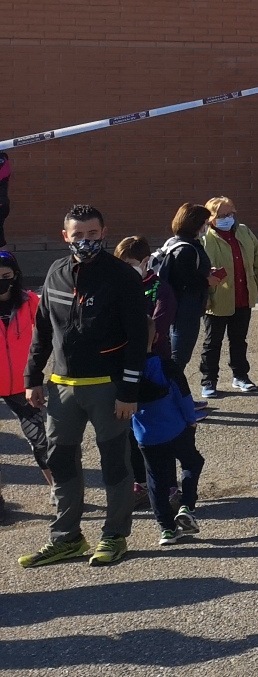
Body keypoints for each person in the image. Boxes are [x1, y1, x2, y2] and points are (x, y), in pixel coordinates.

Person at [18, 205, 147, 568]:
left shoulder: (122, 276)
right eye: (78, 235)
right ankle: (67, 538)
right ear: (66, 236)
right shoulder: (56, 272)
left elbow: (138, 339)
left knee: (115, 465)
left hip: (108, 388)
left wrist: (129, 392)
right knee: (61, 464)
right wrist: (32, 378)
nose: (85, 241)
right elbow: (43, 330)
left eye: (92, 234)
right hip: (61, 388)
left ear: (103, 232)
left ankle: (115, 536)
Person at [0, 250, 54, 524]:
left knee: (40, 439)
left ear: (15, 276)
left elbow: (49, 333)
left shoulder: (30, 301)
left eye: (5, 276)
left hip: (22, 385)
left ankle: (57, 488)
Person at [132, 347, 205, 546]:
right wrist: (191, 420)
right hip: (175, 428)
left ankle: (167, 529)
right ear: (155, 339)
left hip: (146, 436)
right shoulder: (165, 366)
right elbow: (184, 396)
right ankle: (186, 506)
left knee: (156, 481)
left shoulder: (125, 370)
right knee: (192, 462)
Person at [198, 196, 258, 398]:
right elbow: (200, 270)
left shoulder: (244, 231)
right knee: (212, 343)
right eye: (221, 215)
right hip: (216, 300)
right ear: (211, 218)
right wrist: (205, 296)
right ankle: (209, 380)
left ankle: (240, 376)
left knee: (239, 340)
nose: (227, 218)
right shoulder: (204, 238)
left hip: (243, 297)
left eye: (230, 213)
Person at [157, 203, 219, 397]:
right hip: (185, 309)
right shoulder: (187, 249)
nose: (207, 226)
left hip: (178, 308)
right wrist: (206, 280)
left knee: (176, 354)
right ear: (196, 224)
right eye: (205, 222)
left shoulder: (175, 243)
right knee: (179, 356)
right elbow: (184, 280)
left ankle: (173, 396)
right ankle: (172, 398)